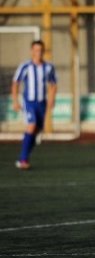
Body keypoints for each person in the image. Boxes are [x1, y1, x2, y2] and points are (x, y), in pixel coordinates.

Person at [11, 40, 57, 169]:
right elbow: (15, 83)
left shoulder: (48, 67)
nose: (38, 53)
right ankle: (23, 159)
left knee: (37, 130)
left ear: (43, 52)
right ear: (32, 51)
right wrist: (15, 101)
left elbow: (53, 84)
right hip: (29, 102)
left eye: (41, 50)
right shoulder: (25, 66)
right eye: (36, 50)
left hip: (42, 103)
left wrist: (52, 99)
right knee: (31, 126)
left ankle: (24, 157)